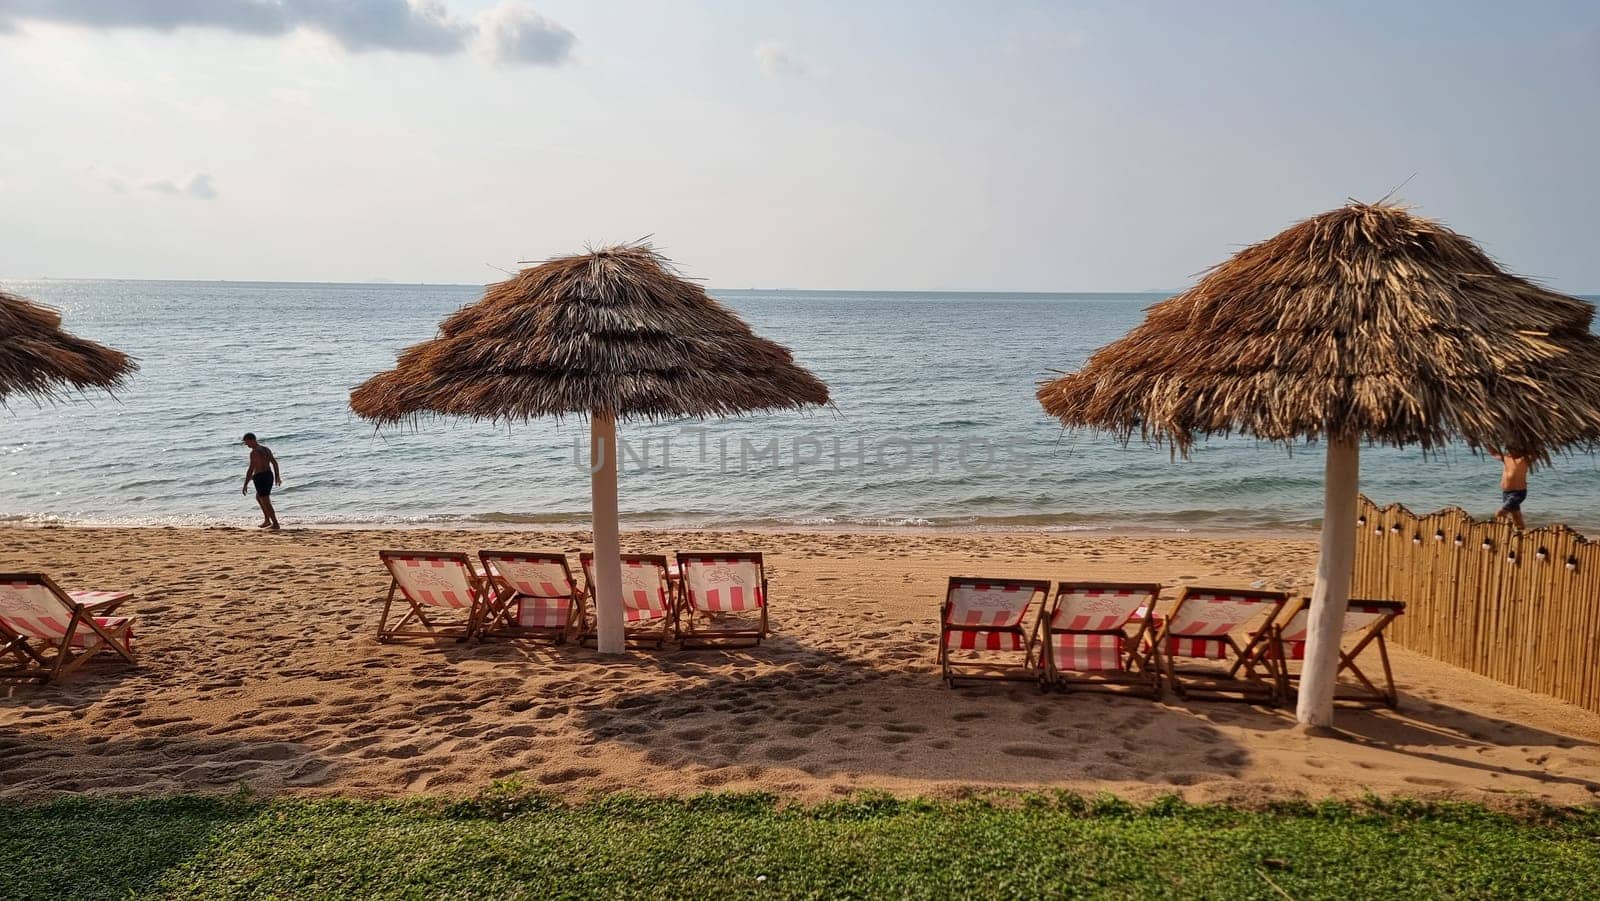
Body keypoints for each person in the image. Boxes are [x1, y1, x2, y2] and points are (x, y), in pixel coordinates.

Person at [241, 433, 283, 530]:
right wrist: (277, 476)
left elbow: (251, 468)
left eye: (246, 442)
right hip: (269, 475)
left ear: (252, 440)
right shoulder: (266, 449)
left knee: (265, 500)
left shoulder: (254, 452)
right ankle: (267, 520)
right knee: (259, 497)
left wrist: (245, 484)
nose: (246, 445)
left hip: (261, 477)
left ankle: (275, 523)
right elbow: (274, 462)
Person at [1488, 447, 1530, 530]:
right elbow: (1494, 453)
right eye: (1509, 450)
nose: (1510, 451)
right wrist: (1487, 443)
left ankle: (1490, 531)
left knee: (1500, 513)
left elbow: (1536, 454)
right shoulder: (1506, 458)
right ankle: (1521, 532)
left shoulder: (1524, 459)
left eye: (1512, 449)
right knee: (1516, 516)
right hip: (1506, 493)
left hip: (1518, 493)